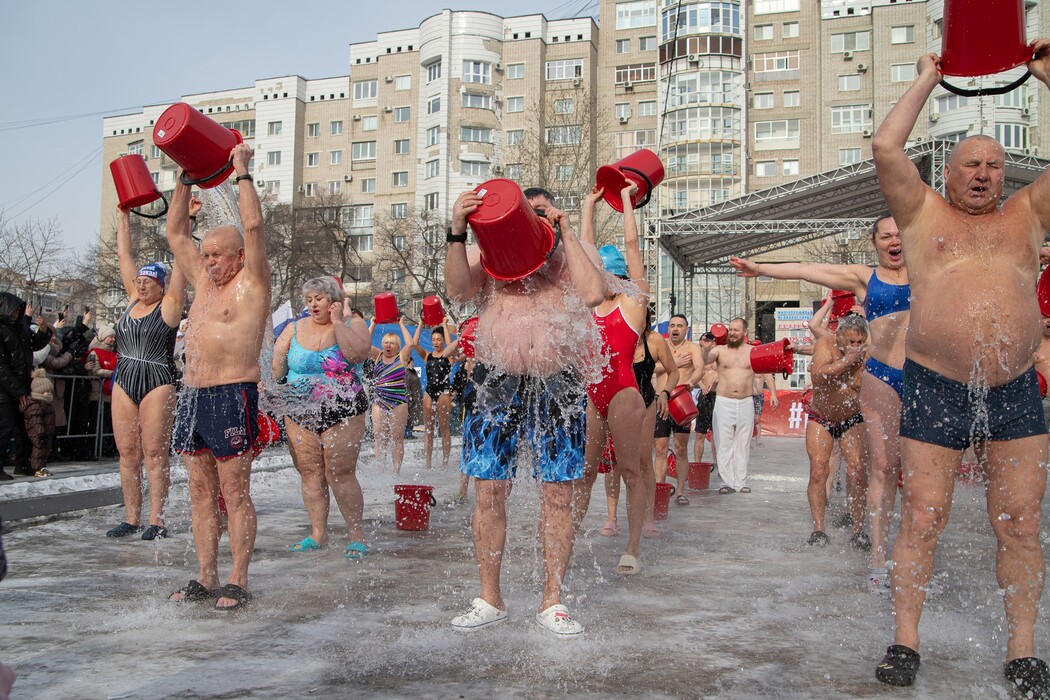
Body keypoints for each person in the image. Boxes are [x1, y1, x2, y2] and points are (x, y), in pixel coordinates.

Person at [869, 44, 1050, 694]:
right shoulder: (922, 213)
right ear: (947, 171)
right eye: (970, 164)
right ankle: (906, 642)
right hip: (936, 383)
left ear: (1007, 173)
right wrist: (927, 78)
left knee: (1022, 522)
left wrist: (1044, 73)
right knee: (922, 515)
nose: (982, 174)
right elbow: (887, 148)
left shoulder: (1026, 215)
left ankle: (1023, 651)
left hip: (1015, 389)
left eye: (994, 165)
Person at [445, 185, 607, 635]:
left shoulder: (570, 255)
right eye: (522, 214)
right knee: (489, 490)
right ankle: (489, 597)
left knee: (558, 492)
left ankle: (552, 601)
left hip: (559, 384)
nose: (528, 224)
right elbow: (458, 291)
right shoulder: (492, 258)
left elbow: (594, 294)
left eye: (538, 214)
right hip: (497, 382)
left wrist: (567, 231)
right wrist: (458, 232)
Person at [731, 214, 908, 591]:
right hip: (862, 395)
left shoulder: (928, 272)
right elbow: (813, 270)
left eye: (901, 234)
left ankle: (902, 544)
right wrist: (761, 268)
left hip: (917, 380)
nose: (895, 241)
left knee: (904, 477)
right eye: (886, 236)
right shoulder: (860, 285)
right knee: (868, 470)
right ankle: (867, 547)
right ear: (874, 242)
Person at [165, 143, 271, 611]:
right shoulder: (203, 281)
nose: (208, 262)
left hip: (233, 391)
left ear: (238, 255)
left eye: (217, 255)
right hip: (193, 394)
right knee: (200, 489)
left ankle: (237, 578)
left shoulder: (254, 281)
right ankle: (205, 575)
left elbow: (252, 225)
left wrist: (242, 172)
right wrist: (185, 177)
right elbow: (174, 233)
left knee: (234, 489)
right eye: (205, 255)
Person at [572, 184, 653, 575]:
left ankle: (633, 548)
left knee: (631, 469)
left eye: (606, 273)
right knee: (586, 472)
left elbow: (634, 247)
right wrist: (588, 205)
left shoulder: (633, 303)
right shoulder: (591, 307)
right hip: (593, 393)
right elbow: (583, 252)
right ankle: (568, 536)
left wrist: (625, 202)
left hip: (623, 392)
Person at [105, 203, 190, 540]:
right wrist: (124, 216)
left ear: (161, 286)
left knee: (154, 452)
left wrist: (187, 219)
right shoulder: (130, 302)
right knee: (127, 452)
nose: (140, 286)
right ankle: (131, 517)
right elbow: (124, 256)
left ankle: (157, 519)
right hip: (124, 379)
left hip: (157, 380)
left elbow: (182, 266)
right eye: (138, 281)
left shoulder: (169, 307)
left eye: (147, 281)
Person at [273, 277, 372, 558]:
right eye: (309, 300)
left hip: (342, 407)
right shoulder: (294, 329)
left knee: (339, 472)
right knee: (310, 471)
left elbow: (357, 355)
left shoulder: (354, 325)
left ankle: (356, 534)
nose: (313, 305)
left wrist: (339, 322)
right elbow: (277, 367)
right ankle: (318, 532)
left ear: (333, 300)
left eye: (319, 298)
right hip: (299, 408)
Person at [602, 303, 678, 538]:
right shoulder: (613, 333)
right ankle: (612, 518)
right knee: (614, 461)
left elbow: (673, 371)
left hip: (645, 402)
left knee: (644, 460)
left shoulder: (654, 341)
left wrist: (665, 392)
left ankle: (649, 518)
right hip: (616, 403)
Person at [804, 316, 870, 548]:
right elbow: (818, 376)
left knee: (858, 471)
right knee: (818, 470)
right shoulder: (826, 344)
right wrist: (846, 362)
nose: (855, 346)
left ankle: (858, 528)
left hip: (852, 416)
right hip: (822, 416)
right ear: (839, 337)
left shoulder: (867, 353)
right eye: (850, 341)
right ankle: (819, 529)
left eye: (859, 342)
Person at [700, 318, 778, 494]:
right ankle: (727, 481)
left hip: (745, 401)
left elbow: (766, 371)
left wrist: (773, 393)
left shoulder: (753, 351)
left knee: (743, 443)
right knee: (723, 442)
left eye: (736, 330)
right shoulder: (719, 350)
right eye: (730, 330)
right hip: (724, 401)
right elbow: (705, 361)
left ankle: (740, 481)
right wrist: (705, 349)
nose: (732, 333)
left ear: (745, 332)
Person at [653, 314, 704, 505]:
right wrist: (672, 365)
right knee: (660, 447)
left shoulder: (693, 348)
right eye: (672, 325)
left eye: (679, 326)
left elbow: (700, 368)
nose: (675, 329)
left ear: (686, 329)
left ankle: (681, 491)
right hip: (661, 399)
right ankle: (660, 489)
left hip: (682, 399)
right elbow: (649, 368)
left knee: (681, 448)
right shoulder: (660, 344)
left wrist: (691, 382)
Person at [411, 320, 459, 469]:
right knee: (428, 428)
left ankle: (445, 462)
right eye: (433, 339)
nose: (436, 342)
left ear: (443, 340)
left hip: (444, 391)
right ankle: (428, 462)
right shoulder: (427, 356)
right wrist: (420, 324)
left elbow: (452, 346)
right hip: (429, 391)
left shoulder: (448, 357)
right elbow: (414, 343)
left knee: (444, 428)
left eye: (439, 339)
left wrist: (444, 324)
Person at [370, 320, 414, 475]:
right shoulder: (377, 355)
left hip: (399, 402)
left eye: (392, 343)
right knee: (379, 437)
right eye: (386, 343)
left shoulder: (401, 357)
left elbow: (410, 344)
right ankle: (380, 470)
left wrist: (401, 324)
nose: (388, 346)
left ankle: (396, 472)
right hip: (379, 401)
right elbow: (362, 344)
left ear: (397, 346)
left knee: (397, 438)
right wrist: (373, 324)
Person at [0, 293, 32, 480]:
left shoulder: (20, 328)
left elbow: (33, 345)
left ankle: (22, 463)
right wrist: (17, 389)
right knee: (4, 430)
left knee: (23, 429)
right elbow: (1, 368)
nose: (17, 312)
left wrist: (44, 332)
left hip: (20, 384)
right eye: (15, 308)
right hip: (5, 391)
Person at [691, 332, 718, 467]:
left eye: (707, 340)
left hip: (717, 395)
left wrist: (715, 383)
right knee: (700, 433)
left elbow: (725, 373)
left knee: (716, 434)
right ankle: (697, 463)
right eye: (702, 340)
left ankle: (717, 462)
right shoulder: (699, 356)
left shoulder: (719, 354)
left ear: (714, 342)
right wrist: (702, 386)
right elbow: (696, 373)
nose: (704, 342)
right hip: (704, 396)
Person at [751, 371, 775, 445]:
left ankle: (758, 441)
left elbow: (769, 378)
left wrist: (773, 394)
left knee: (757, 419)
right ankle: (748, 438)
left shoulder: (761, 369)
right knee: (746, 419)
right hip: (749, 395)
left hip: (758, 396)